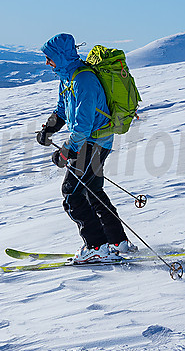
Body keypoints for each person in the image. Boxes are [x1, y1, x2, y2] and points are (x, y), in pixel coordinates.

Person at [36, 33, 137, 263]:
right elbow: (63, 110)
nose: (47, 63)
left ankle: (96, 246)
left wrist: (66, 151)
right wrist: (49, 130)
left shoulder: (84, 80)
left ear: (60, 56)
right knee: (92, 191)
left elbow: (83, 125)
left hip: (94, 143)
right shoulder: (68, 78)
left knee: (72, 194)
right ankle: (116, 241)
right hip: (92, 142)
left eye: (49, 58)